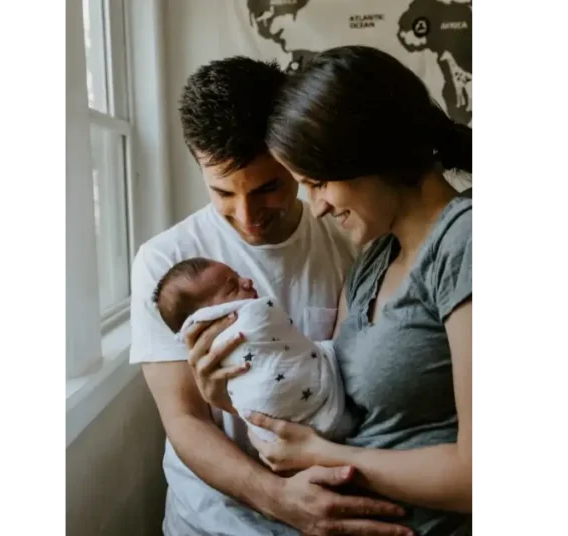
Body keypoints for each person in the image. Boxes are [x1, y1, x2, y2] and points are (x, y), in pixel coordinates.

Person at [191, 45, 478, 535]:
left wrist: (324, 455)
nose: (317, 207)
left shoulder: (464, 243)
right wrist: (235, 395)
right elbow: (337, 405)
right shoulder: (372, 258)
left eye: (319, 182)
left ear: (372, 155)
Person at [129, 56, 415, 536]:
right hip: (211, 520)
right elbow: (184, 420)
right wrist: (281, 499)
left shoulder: (352, 238)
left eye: (268, 188)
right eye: (223, 192)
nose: (247, 215)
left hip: (332, 506)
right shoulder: (166, 264)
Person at [152, 257, 356, 444]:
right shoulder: (159, 256)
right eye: (232, 287)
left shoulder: (338, 249)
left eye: (237, 276)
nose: (247, 281)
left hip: (279, 438)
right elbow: (184, 420)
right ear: (209, 315)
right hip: (254, 454)